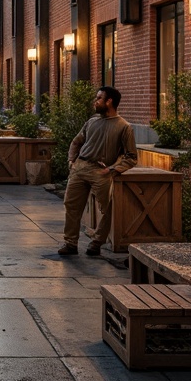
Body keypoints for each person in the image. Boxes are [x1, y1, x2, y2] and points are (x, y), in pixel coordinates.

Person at [57, 85, 138, 257]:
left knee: (107, 209)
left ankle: (97, 242)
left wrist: (113, 170)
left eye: (99, 98)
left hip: (101, 172)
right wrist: (72, 161)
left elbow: (131, 156)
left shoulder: (124, 127)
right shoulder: (92, 121)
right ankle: (70, 243)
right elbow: (76, 142)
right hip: (80, 167)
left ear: (109, 102)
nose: (96, 101)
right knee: (71, 205)